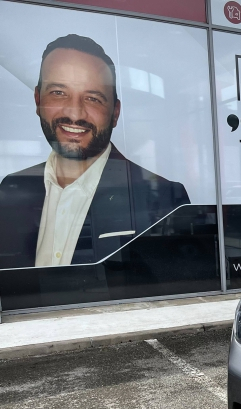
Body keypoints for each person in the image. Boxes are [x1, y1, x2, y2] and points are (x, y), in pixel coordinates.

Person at [0, 34, 189, 270]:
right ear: (38, 100)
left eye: (93, 98)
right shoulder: (11, 188)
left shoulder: (165, 200)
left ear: (115, 112)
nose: (75, 113)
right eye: (58, 92)